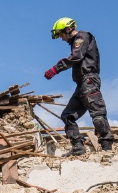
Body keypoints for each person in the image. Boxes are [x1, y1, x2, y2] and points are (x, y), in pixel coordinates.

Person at [44, 17, 114, 156]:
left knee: (97, 113)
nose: (62, 39)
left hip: (89, 80)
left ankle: (107, 149)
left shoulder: (82, 37)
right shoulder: (76, 41)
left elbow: (76, 56)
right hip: (82, 84)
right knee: (67, 116)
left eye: (61, 35)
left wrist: (56, 69)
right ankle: (78, 148)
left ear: (68, 29)